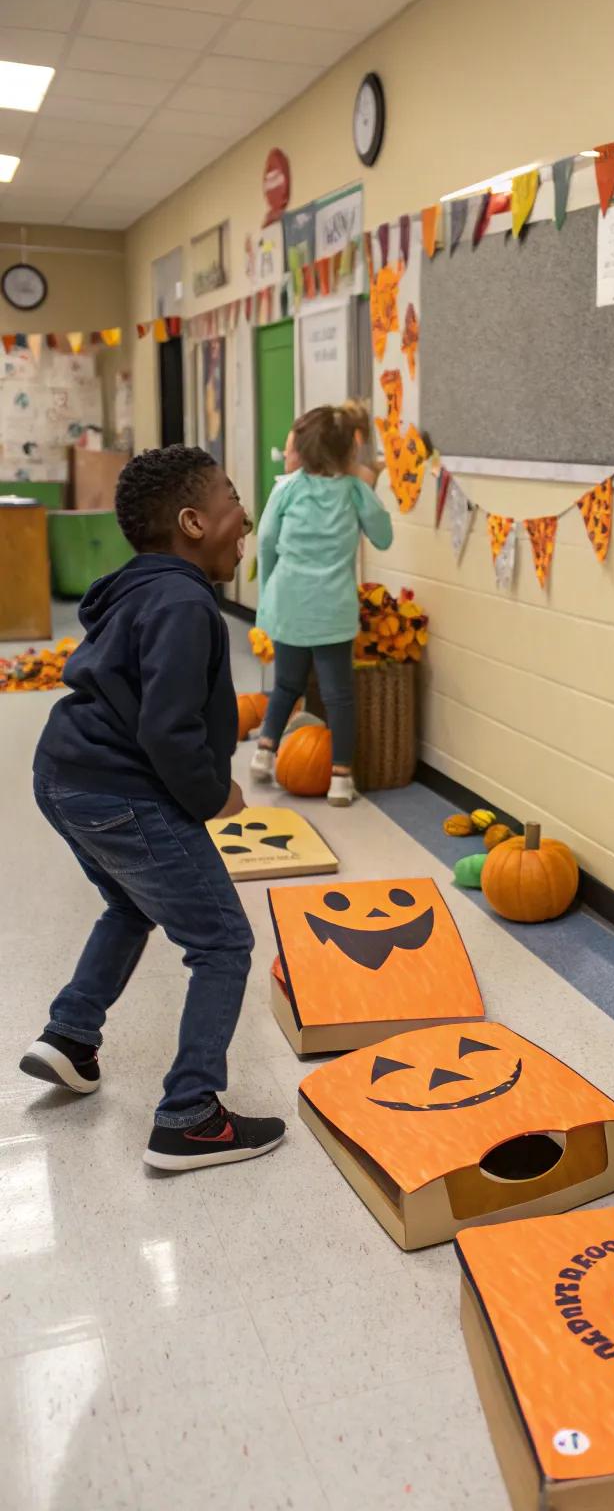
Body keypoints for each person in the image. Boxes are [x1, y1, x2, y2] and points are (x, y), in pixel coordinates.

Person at [21, 445, 286, 1172]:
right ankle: (190, 1115)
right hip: (118, 788)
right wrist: (214, 795)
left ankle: (71, 1035)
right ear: (195, 521)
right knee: (223, 944)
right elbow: (166, 729)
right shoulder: (184, 603)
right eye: (236, 505)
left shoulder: (139, 588)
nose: (247, 521)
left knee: (131, 905)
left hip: (63, 774)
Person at [251, 404, 394, 805]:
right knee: (338, 696)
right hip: (332, 607)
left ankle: (264, 752)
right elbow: (383, 537)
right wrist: (366, 486)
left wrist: (267, 596)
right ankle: (341, 780)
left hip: (288, 600)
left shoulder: (287, 488)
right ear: (348, 449)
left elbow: (264, 542)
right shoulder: (354, 491)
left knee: (286, 684)